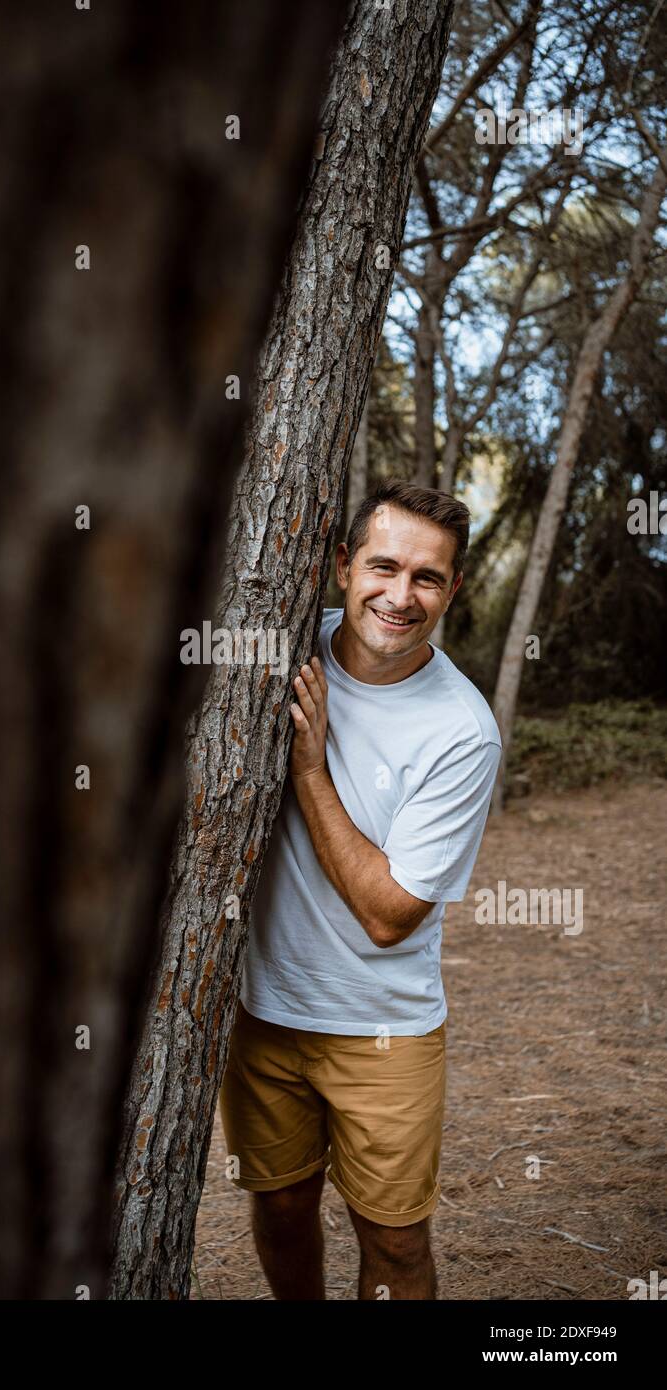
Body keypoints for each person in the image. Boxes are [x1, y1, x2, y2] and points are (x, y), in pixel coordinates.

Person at [219, 479, 501, 1300]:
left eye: (427, 578)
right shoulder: (275, 651)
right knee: (278, 1205)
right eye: (384, 566)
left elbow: (387, 916)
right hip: (260, 1008)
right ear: (344, 565)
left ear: (454, 590)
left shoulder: (460, 730)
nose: (400, 595)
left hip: (384, 1031)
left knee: (397, 1242)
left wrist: (310, 772)